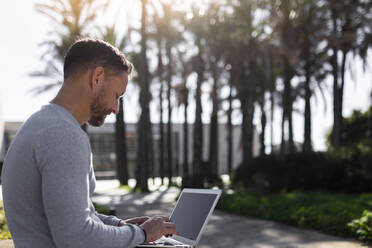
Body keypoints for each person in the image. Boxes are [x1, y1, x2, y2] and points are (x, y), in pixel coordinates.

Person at [1, 38, 178, 248]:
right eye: (116, 95)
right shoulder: (63, 134)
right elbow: (77, 238)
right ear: (97, 77)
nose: (116, 108)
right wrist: (141, 234)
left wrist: (120, 225)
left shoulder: (41, 124)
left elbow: (73, 218)